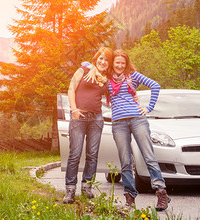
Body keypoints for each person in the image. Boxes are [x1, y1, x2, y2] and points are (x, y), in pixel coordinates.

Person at [100, 49, 170, 210]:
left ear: (126, 64)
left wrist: (148, 107)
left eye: (123, 63)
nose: (120, 65)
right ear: (113, 63)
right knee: (125, 161)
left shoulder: (133, 76)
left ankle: (161, 193)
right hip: (118, 123)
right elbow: (90, 69)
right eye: (117, 62)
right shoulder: (107, 78)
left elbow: (155, 85)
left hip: (138, 120)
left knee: (149, 156)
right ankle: (129, 198)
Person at [63, 47, 113, 204]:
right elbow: (71, 89)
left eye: (106, 59)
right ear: (96, 59)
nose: (103, 61)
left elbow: (118, 94)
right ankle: (70, 190)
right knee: (75, 154)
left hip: (96, 119)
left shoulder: (107, 79)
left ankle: (87, 187)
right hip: (79, 117)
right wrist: (74, 110)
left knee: (92, 155)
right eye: (101, 58)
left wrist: (134, 97)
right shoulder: (83, 70)